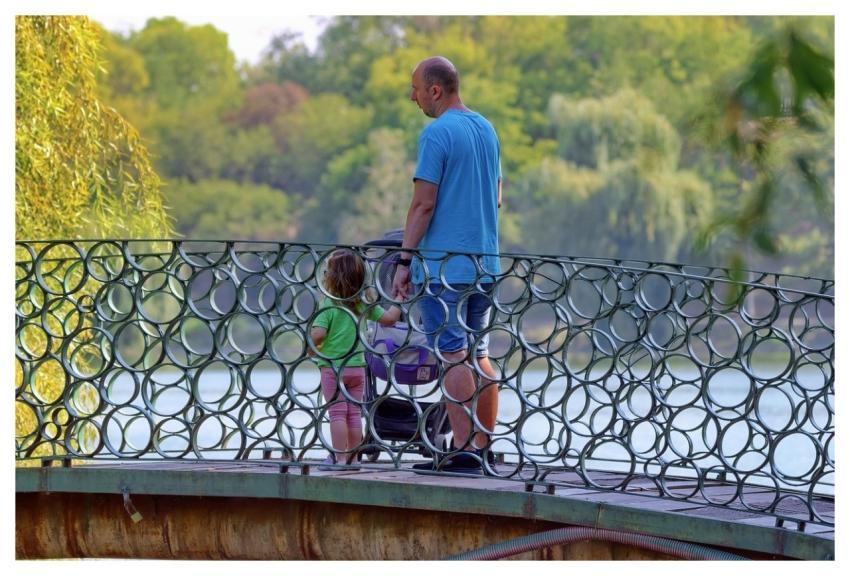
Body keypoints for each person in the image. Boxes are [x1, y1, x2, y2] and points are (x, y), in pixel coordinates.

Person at [392, 56, 502, 475]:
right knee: (481, 355)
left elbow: (423, 203)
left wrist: (404, 260)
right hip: (485, 263)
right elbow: (495, 197)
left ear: (435, 90)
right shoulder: (487, 129)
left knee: (453, 354)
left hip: (444, 270)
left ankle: (462, 450)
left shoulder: (436, 134)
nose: (412, 96)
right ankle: (483, 447)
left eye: (415, 88)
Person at [311, 248, 401, 470]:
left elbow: (319, 335)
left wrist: (311, 347)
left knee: (337, 414)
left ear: (330, 279)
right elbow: (389, 319)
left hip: (334, 369)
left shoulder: (328, 305)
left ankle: (339, 459)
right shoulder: (363, 304)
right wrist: (398, 298)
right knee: (353, 414)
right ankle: (354, 459)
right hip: (357, 369)